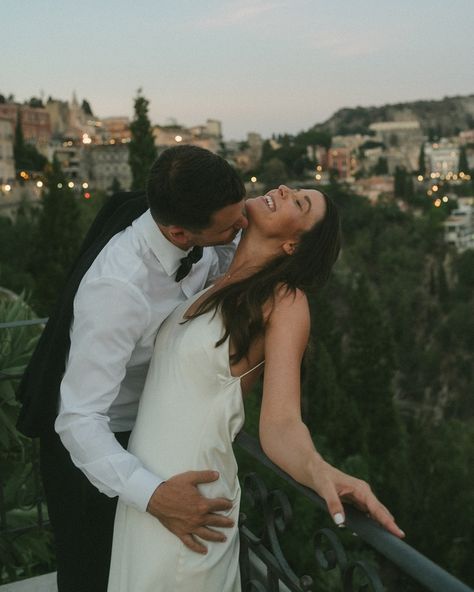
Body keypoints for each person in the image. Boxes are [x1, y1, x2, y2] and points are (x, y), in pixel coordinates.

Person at [107, 185, 405, 592]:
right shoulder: (213, 280)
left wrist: (319, 469)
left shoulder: (283, 300)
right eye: (294, 188)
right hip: (149, 497)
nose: (284, 189)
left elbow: (280, 422)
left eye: (299, 203)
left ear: (291, 244)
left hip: (193, 508)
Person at [16, 145, 250, 592]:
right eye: (232, 225)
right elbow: (79, 420)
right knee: (95, 577)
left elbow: (229, 252)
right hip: (95, 452)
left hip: (152, 433)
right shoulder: (119, 287)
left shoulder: (197, 222)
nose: (243, 227)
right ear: (181, 234)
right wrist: (155, 496)